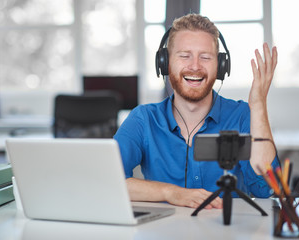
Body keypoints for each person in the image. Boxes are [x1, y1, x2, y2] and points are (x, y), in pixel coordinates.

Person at [113, 13, 279, 209]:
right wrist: (170, 192)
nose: (195, 66)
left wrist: (258, 104)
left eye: (205, 57)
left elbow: (269, 189)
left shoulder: (242, 115)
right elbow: (108, 180)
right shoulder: (144, 119)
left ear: (220, 66)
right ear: (165, 63)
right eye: (184, 56)